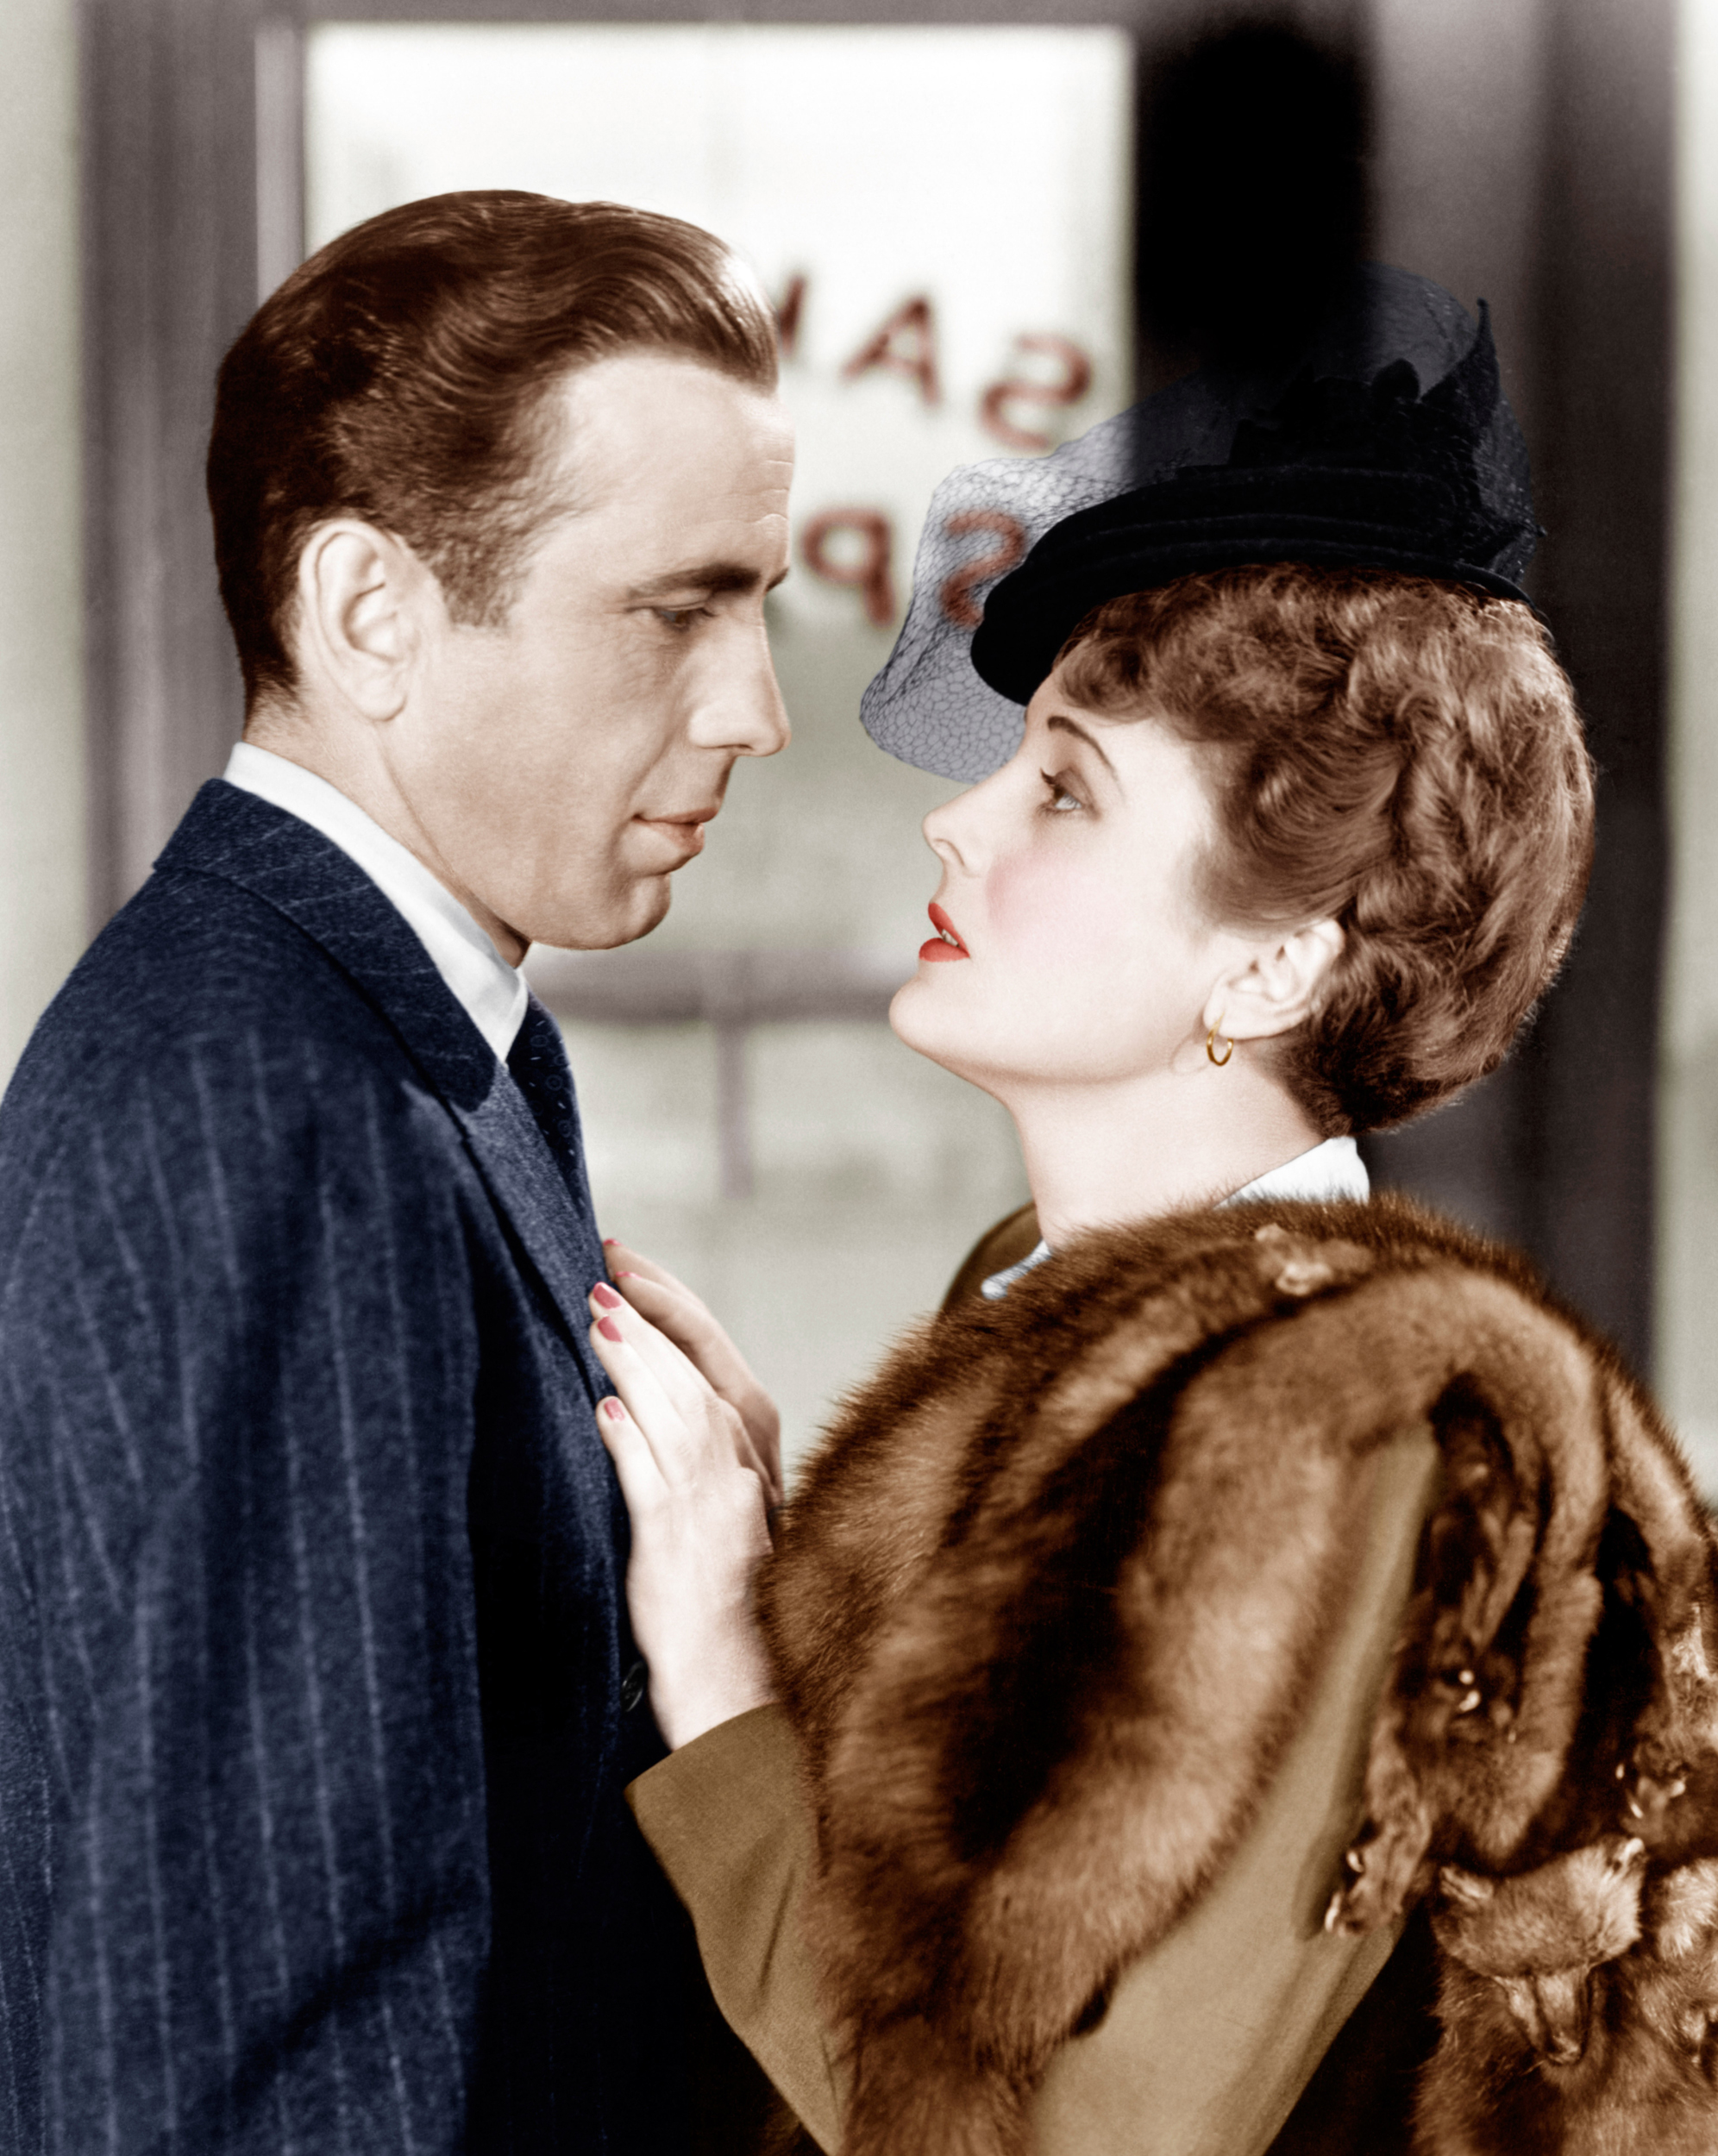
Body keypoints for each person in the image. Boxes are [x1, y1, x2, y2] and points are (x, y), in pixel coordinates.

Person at [580, 273, 1718, 2155]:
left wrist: (717, 1669)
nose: (958, 822)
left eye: (1067, 791)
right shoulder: (1054, 1301)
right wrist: (794, 1576)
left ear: (1275, 961)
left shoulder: (1343, 1425)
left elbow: (1058, 2131)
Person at [0, 191, 794, 2153]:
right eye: (676, 610)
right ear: (371, 613)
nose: (757, 710)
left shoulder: (425, 1038)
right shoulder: (268, 1102)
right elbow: (262, 2042)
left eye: (760, 608)